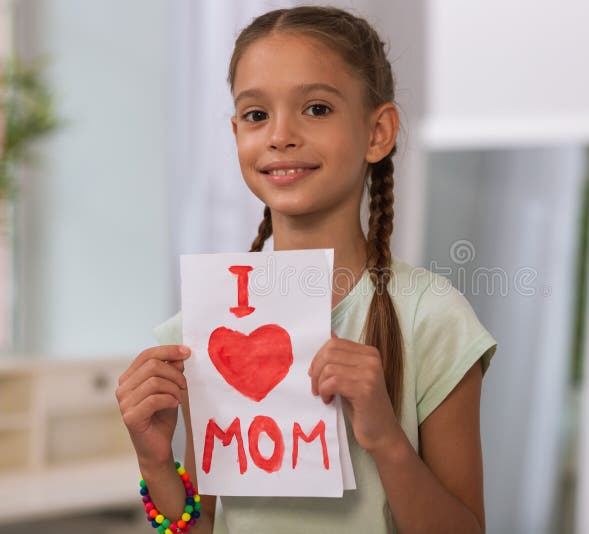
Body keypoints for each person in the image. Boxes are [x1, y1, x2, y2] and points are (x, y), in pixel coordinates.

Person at [116, 6, 497, 533]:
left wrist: (386, 439)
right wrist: (155, 461)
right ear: (236, 133)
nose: (280, 135)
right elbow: (196, 527)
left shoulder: (432, 319)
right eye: (256, 115)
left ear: (378, 132)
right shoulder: (207, 325)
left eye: (316, 108)